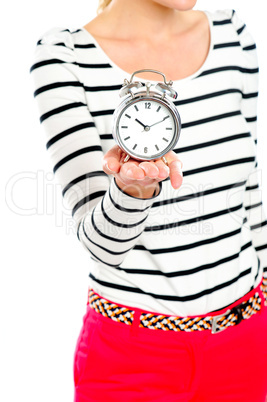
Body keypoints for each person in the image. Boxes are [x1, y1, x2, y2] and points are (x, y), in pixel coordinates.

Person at [31, 0, 267, 400]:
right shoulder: (65, 57)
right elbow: (103, 247)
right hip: (133, 359)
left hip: (249, 340)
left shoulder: (232, 35)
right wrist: (132, 191)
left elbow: (250, 192)